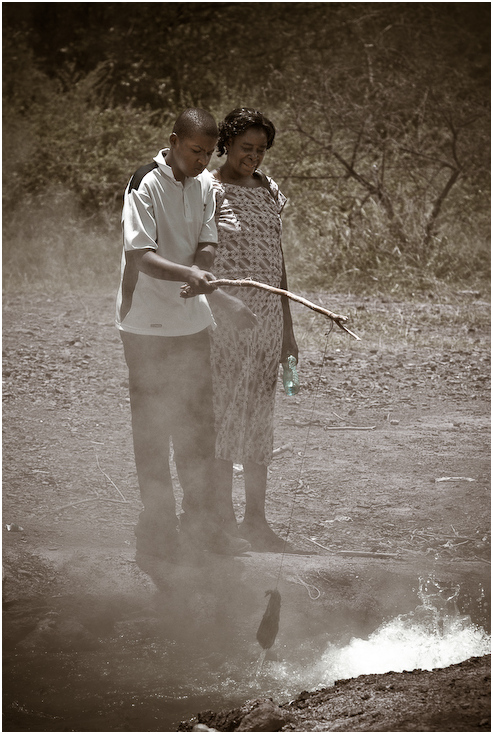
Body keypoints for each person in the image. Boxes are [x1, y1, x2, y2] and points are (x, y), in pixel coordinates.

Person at [116, 108, 251, 563]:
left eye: (208, 153)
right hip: (147, 326)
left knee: (197, 429)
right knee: (153, 429)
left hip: (192, 324)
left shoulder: (205, 185)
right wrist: (189, 272)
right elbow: (142, 257)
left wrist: (203, 271)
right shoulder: (144, 183)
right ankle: (155, 526)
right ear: (173, 141)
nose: (201, 160)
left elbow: (208, 240)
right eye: (195, 151)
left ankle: (200, 525)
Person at [209, 107, 299, 552]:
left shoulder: (270, 191)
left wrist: (287, 329)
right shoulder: (208, 189)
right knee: (224, 417)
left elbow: (278, 263)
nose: (255, 157)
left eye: (261, 150)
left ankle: (257, 521)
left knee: (259, 421)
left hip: (266, 323)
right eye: (247, 148)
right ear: (226, 143)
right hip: (224, 321)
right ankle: (221, 522)